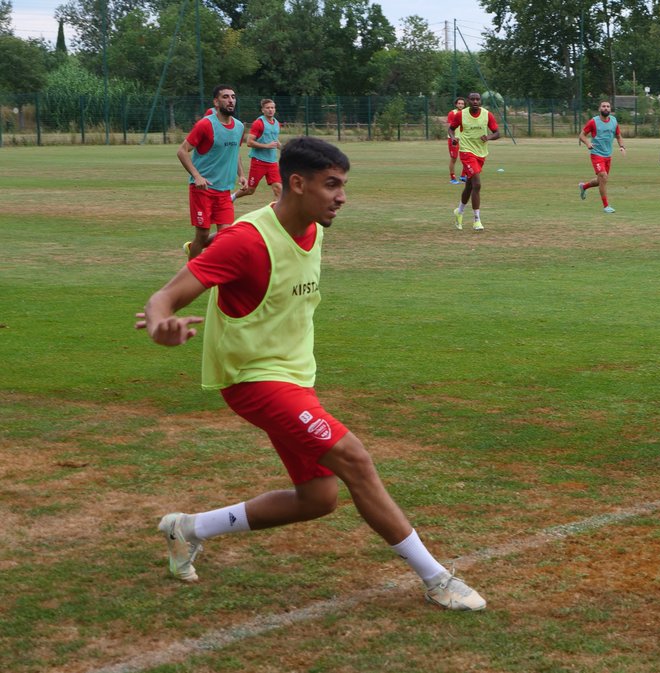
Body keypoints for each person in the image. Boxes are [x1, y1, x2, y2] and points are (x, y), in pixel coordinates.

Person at [136, 137, 486, 611]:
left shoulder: (314, 228)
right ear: (296, 184)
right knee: (355, 459)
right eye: (332, 185)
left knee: (318, 498)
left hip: (295, 376)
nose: (341, 196)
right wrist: (162, 326)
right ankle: (436, 578)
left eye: (343, 185)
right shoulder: (247, 240)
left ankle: (188, 528)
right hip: (252, 378)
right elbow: (165, 298)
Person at [177, 85, 246, 259]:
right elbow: (182, 151)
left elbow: (235, 153)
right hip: (203, 190)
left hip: (224, 191)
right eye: (225, 97)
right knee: (202, 233)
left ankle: (213, 268)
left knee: (226, 235)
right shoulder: (205, 125)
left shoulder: (239, 127)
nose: (230, 100)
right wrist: (197, 176)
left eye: (233, 96)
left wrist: (242, 175)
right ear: (216, 102)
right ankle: (191, 275)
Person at [449, 92, 500, 231]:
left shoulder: (487, 114)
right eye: (472, 99)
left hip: (481, 153)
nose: (475, 101)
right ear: (468, 101)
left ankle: (459, 211)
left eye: (478, 99)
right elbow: (451, 129)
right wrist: (453, 138)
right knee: (477, 184)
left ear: (480, 101)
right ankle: (477, 220)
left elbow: (497, 133)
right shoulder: (461, 115)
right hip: (466, 152)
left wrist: (488, 137)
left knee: (470, 186)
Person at [577, 100, 626, 214]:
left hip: (608, 155)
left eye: (608, 106)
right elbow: (582, 135)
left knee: (601, 181)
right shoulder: (594, 121)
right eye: (603, 106)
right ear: (599, 109)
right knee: (603, 176)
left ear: (610, 109)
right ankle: (606, 206)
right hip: (596, 154)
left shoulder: (613, 121)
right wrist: (588, 143)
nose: (606, 108)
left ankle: (584, 187)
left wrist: (622, 146)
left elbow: (618, 136)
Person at [232, 98, 283, 204]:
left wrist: (284, 149)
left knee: (279, 189)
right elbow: (249, 142)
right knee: (250, 189)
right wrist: (266, 146)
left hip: (272, 162)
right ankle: (232, 197)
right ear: (263, 110)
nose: (270, 110)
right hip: (259, 162)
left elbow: (274, 139)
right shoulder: (258, 123)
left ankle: (273, 214)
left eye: (272, 107)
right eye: (267, 108)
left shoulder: (277, 123)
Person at [446, 96, 466, 184]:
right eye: (459, 103)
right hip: (453, 139)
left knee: (466, 157)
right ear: (456, 104)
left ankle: (463, 176)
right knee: (454, 158)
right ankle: (452, 178)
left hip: (464, 140)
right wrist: (453, 137)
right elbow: (450, 127)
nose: (460, 105)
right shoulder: (452, 113)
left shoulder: (466, 113)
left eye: (462, 103)